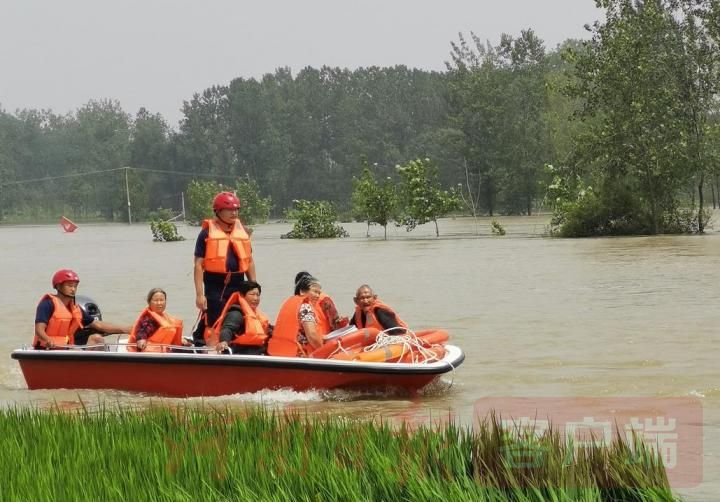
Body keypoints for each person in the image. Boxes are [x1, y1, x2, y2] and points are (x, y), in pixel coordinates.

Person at [193, 191, 257, 346]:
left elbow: (249, 260)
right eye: (230, 210)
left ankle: (235, 345)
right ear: (218, 211)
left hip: (238, 282)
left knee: (239, 316)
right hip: (215, 284)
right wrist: (200, 295)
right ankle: (212, 347)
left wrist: (253, 287)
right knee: (215, 319)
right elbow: (198, 265)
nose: (234, 213)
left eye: (236, 209)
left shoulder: (243, 231)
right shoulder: (206, 233)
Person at [33, 269, 131, 349]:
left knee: (97, 339)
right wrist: (48, 340)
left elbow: (98, 325)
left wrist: (125, 329)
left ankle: (97, 370)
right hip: (46, 348)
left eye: (75, 286)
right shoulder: (47, 304)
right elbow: (39, 329)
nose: (73, 289)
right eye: (69, 286)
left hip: (66, 347)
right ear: (58, 286)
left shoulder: (75, 308)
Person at [267, 273, 332, 357]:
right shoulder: (306, 307)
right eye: (315, 292)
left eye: (319, 293)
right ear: (302, 291)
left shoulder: (289, 303)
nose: (317, 296)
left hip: (282, 353)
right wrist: (324, 352)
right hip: (300, 355)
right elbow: (311, 335)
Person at [213, 281, 271, 355]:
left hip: (255, 351)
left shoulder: (256, 315)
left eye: (258, 295)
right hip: (240, 352)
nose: (256, 298)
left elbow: (267, 330)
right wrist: (224, 341)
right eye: (252, 294)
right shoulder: (236, 314)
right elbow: (227, 329)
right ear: (242, 296)